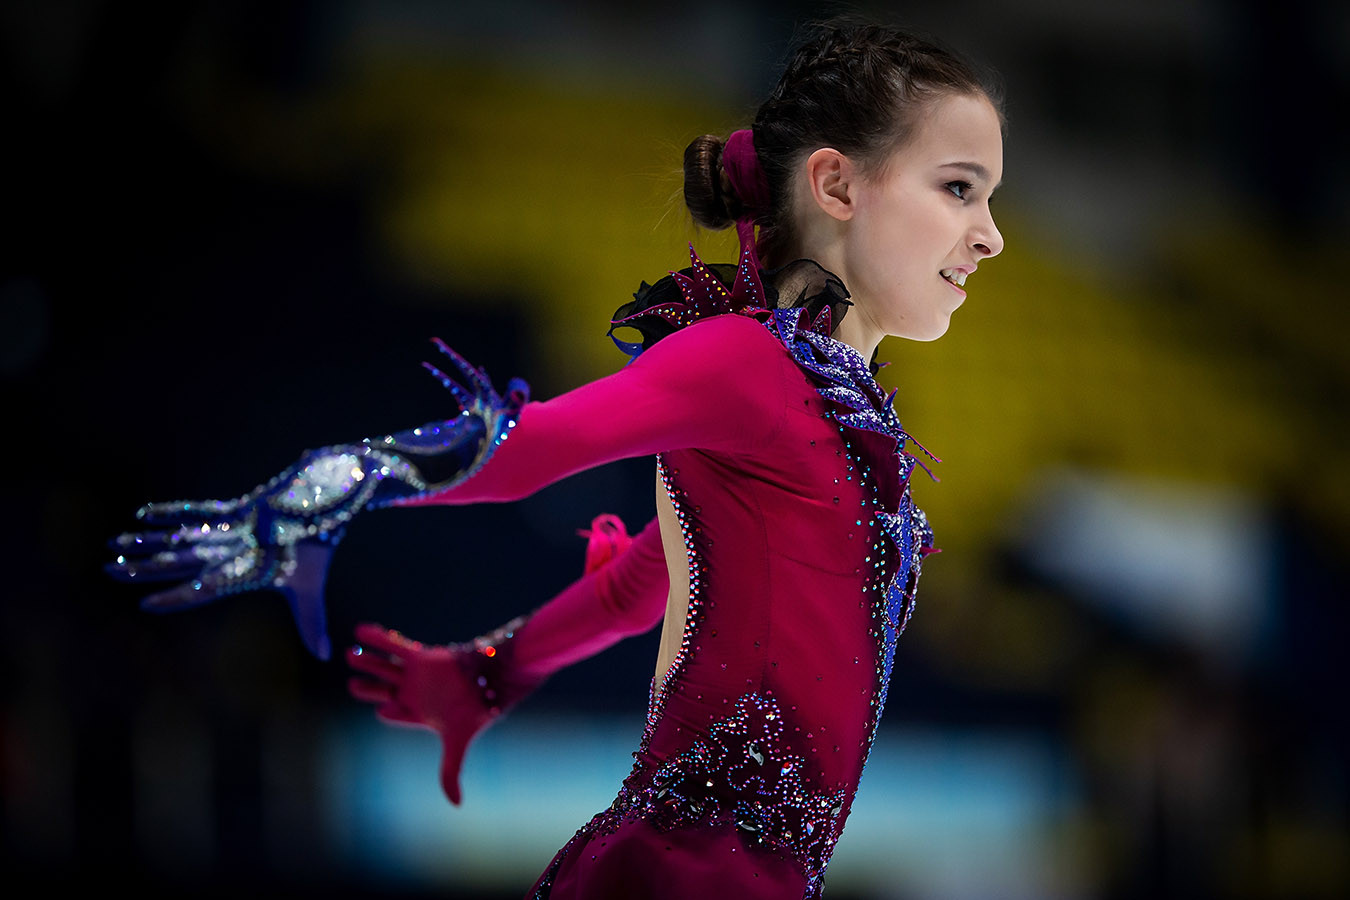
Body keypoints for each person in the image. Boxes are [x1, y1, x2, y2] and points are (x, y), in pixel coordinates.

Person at [110, 20, 1004, 899]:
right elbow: (524, 449)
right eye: (960, 188)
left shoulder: (844, 417)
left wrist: (492, 674)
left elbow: (648, 580)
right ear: (838, 185)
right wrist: (310, 501)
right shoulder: (746, 363)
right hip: (684, 873)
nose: (990, 234)